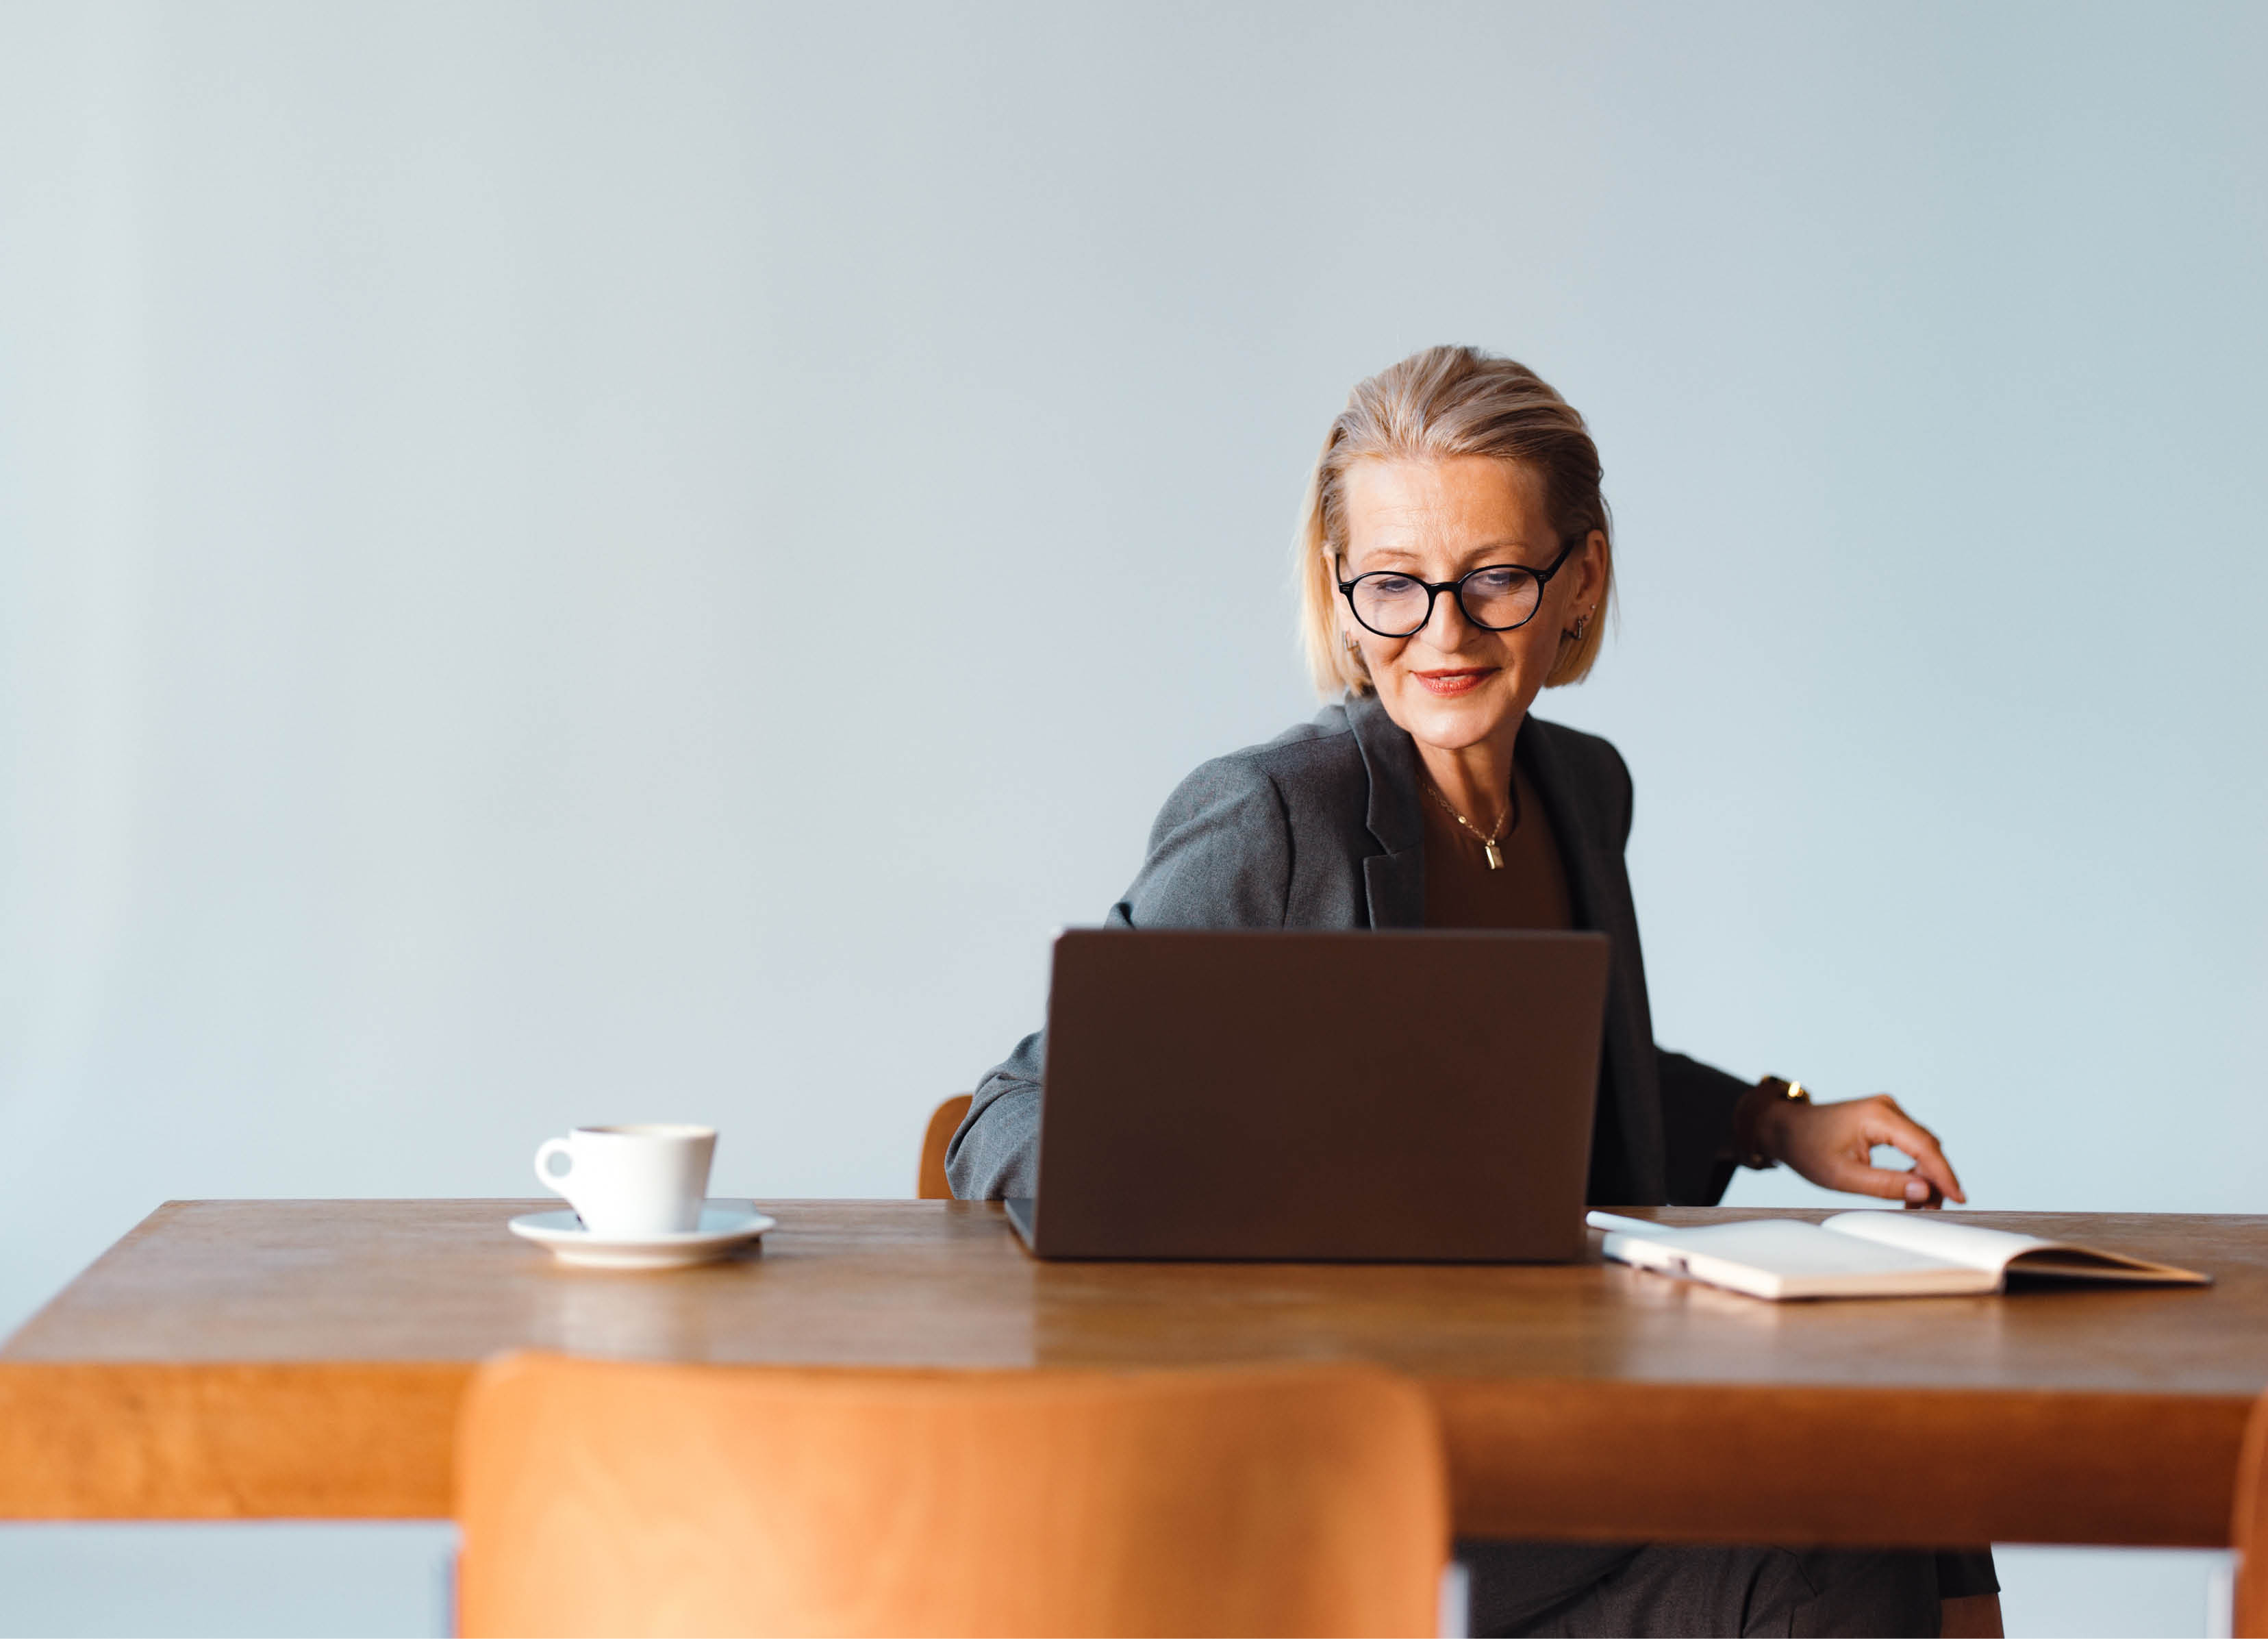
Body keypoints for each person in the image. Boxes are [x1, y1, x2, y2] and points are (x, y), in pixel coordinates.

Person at [947, 345, 2001, 1638]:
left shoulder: (1583, 790)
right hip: (1374, 1512)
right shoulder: (1281, 818)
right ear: (1340, 597)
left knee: (1918, 1460)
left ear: (1581, 581)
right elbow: (1007, 1109)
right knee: (1846, 1548)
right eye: (1392, 584)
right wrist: (1263, 1209)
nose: (1441, 633)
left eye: (1496, 578)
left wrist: (1772, 1125)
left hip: (1564, 1442)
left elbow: (1533, 1081)